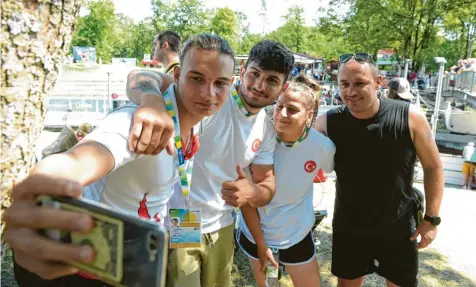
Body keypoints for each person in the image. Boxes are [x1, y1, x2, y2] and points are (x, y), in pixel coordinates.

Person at [4, 33, 236, 286]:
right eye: (197, 78)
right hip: (81, 269)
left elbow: (144, 78)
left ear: (230, 84)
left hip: (126, 261)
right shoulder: (139, 123)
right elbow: (79, 161)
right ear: (178, 75)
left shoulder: (197, 114)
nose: (208, 93)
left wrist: (150, 94)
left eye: (220, 83)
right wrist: (40, 188)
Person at [125, 40, 295, 287]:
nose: (259, 86)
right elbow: (138, 76)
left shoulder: (266, 129)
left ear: (283, 86)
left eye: (271, 80)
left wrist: (252, 192)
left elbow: (266, 185)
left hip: (223, 225)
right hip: (180, 218)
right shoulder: (212, 99)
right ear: (244, 69)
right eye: (255, 74)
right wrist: (152, 103)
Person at [313, 53, 444, 287]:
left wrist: (431, 219)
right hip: (349, 226)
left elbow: (433, 167)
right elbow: (298, 151)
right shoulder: (328, 122)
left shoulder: (410, 117)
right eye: (344, 84)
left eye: (360, 83)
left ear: (378, 81)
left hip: (398, 227)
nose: (351, 91)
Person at [236, 74, 335, 287]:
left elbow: (327, 169)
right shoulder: (256, 137)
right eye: (279, 105)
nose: (281, 114)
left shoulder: (323, 147)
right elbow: (245, 197)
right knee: (270, 285)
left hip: (296, 236)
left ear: (309, 115)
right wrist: (262, 245)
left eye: (292, 109)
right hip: (256, 236)